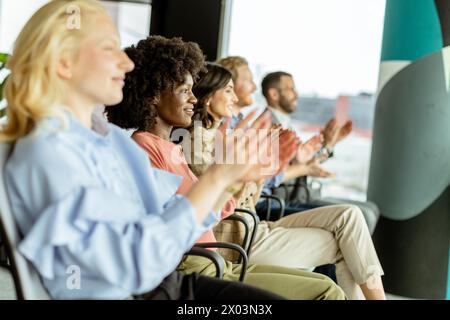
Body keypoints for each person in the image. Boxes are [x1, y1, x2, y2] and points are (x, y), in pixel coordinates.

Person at [0, 0, 287, 300]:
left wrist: (229, 180)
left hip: (163, 284)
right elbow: (136, 263)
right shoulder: (49, 153)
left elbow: (168, 215)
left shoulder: (112, 141)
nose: (126, 63)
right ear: (64, 63)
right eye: (110, 48)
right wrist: (216, 178)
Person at [105, 36, 346, 300]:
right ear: (153, 95)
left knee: (326, 284)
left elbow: (211, 212)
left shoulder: (172, 146)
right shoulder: (144, 147)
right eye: (185, 91)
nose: (194, 99)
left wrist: (238, 178)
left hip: (216, 259)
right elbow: (177, 223)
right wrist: (226, 173)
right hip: (195, 267)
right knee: (326, 291)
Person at [188, 62, 387, 300]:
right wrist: (266, 170)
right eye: (229, 90)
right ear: (208, 98)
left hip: (254, 223)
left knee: (351, 215)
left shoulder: (225, 134)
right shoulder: (199, 141)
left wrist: (276, 166)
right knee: (348, 243)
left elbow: (257, 187)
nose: (235, 96)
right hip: (240, 235)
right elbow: (222, 204)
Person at [260, 71, 380, 234]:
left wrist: (329, 145)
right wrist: (316, 155)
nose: (297, 94)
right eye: (290, 89)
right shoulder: (266, 125)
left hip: (300, 193)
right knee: (365, 215)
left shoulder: (284, 121)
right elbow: (277, 172)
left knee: (371, 209)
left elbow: (302, 161)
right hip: (284, 199)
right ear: (273, 94)